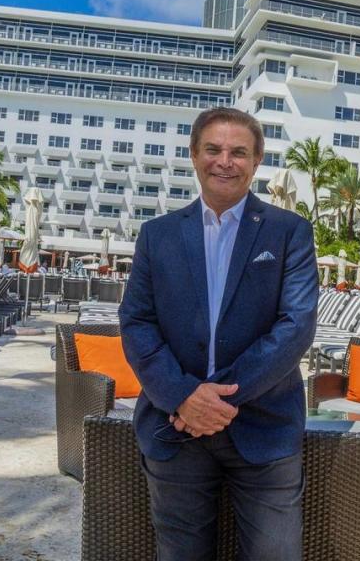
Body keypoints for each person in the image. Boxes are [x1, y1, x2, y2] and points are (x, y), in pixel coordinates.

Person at [119, 107, 318, 560]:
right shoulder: (157, 235)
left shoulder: (291, 233)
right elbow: (136, 323)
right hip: (175, 428)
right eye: (213, 149)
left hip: (265, 429)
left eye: (238, 152)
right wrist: (184, 397)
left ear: (256, 161)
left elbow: (296, 325)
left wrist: (215, 402)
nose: (224, 161)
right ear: (194, 155)